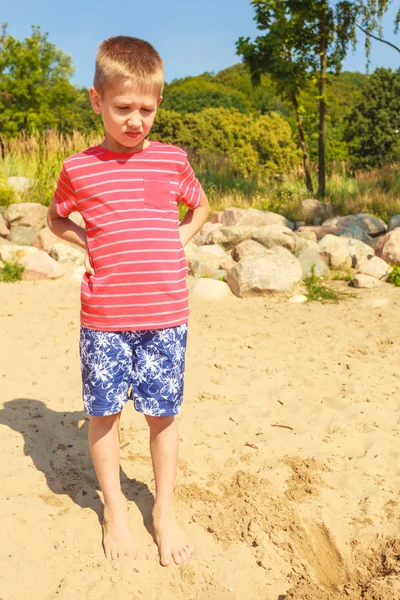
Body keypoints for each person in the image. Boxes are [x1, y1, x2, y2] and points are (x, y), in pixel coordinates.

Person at [47, 35, 210, 567]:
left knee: (162, 417)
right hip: (105, 319)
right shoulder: (78, 168)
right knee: (104, 416)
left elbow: (200, 206)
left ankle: (163, 511)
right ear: (97, 100)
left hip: (166, 316)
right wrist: (87, 243)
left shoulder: (171, 160)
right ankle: (115, 509)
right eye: (123, 108)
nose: (136, 119)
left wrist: (177, 240)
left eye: (147, 108)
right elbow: (55, 219)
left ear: (159, 103)